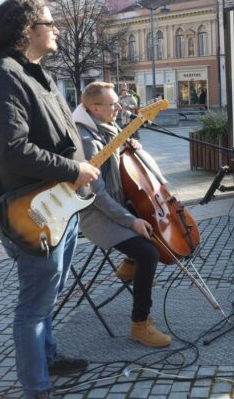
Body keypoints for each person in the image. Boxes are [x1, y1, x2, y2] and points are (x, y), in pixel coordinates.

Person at [0, 0, 100, 399]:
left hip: (63, 206)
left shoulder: (37, 73)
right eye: (51, 21)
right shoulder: (2, 75)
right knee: (33, 302)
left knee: (49, 293)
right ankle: (36, 386)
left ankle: (47, 358)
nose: (57, 28)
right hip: (32, 212)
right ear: (29, 29)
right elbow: (11, 148)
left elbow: (61, 139)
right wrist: (74, 169)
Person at [73, 81, 173, 348]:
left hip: (115, 203)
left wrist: (131, 147)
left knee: (153, 225)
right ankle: (140, 324)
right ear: (94, 108)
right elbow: (98, 196)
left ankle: (130, 265)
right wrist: (131, 221)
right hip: (96, 215)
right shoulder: (86, 141)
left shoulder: (106, 128)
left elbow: (119, 165)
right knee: (149, 252)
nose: (118, 108)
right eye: (112, 104)